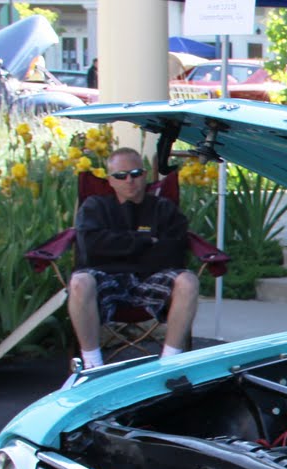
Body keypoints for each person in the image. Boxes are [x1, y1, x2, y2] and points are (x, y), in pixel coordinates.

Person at [68, 147, 199, 369]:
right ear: (110, 180)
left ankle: (169, 363)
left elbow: (173, 252)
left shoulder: (164, 209)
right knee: (80, 282)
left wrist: (116, 247)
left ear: (145, 175)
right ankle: (92, 366)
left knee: (188, 281)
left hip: (151, 280)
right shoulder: (95, 207)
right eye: (121, 175)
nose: (129, 180)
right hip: (106, 281)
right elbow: (91, 247)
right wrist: (145, 240)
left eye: (136, 173)